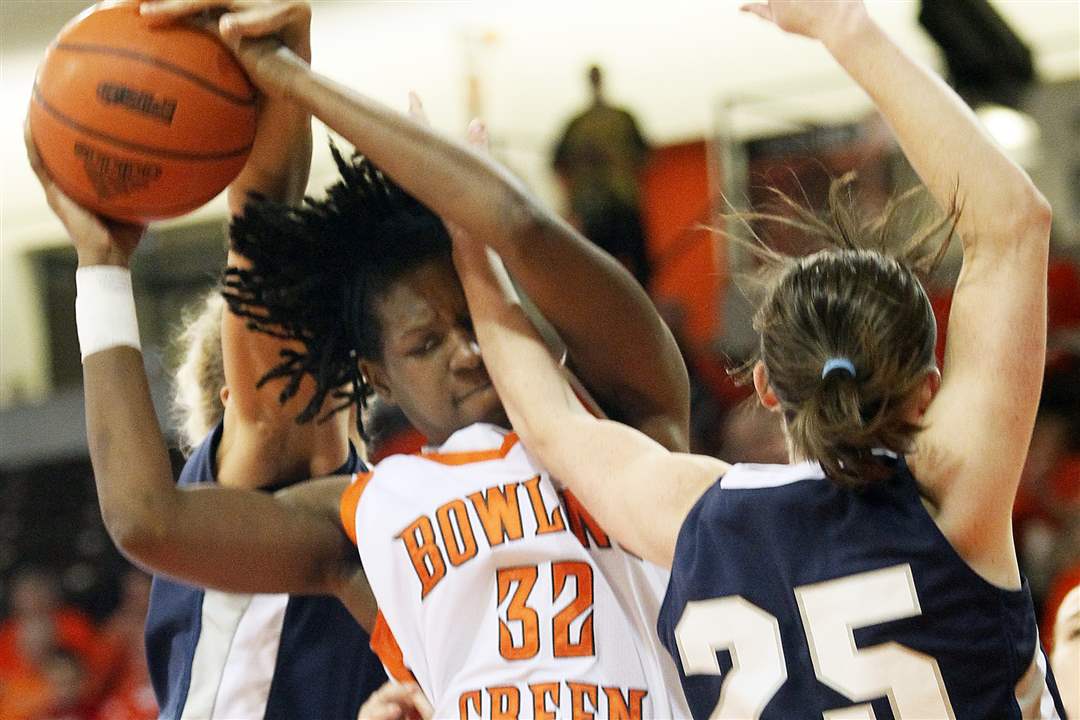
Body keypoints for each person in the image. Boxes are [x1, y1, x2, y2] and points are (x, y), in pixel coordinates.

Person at [28, 3, 694, 718]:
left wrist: (292, 78)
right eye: (424, 344)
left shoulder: (623, 427)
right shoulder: (374, 510)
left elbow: (519, 225)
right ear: (375, 377)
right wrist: (102, 265)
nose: (468, 353)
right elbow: (144, 521)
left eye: (476, 314)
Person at [452, 1, 1068, 716]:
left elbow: (548, 420)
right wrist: (844, 28)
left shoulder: (694, 517)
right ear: (927, 389)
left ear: (768, 387)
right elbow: (1013, 225)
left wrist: (467, 239)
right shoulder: (951, 494)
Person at [26, 2, 389, 717]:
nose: (302, 349)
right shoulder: (272, 470)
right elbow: (266, 232)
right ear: (238, 401)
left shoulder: (384, 497)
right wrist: (277, 69)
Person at [552, 65, 652, 286]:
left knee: (634, 269)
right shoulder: (579, 124)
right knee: (600, 273)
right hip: (596, 209)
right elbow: (559, 164)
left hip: (619, 204)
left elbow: (644, 156)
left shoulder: (618, 118)